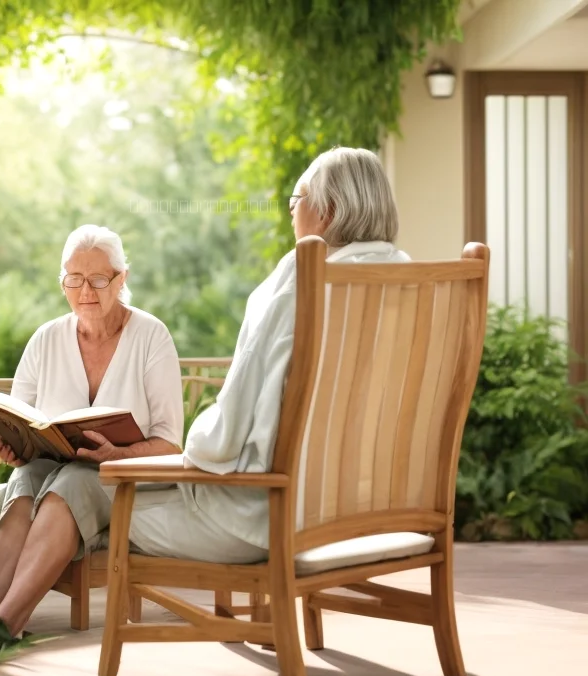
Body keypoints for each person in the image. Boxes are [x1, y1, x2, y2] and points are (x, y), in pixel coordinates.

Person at [118, 146, 411, 568]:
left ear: (325, 211)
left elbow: (224, 438)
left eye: (296, 201)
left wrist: (192, 443)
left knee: (107, 510)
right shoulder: (408, 285)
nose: (292, 213)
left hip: (270, 522)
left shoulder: (301, 285)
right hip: (370, 512)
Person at [0, 224, 183, 653]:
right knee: (26, 482)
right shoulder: (46, 338)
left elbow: (170, 444)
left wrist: (117, 453)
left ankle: (5, 624)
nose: (85, 290)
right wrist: (12, 447)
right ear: (62, 280)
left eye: (99, 279)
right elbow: (19, 417)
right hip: (48, 466)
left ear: (121, 279)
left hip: (120, 475)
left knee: (72, 482)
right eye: (74, 279)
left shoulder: (151, 336)